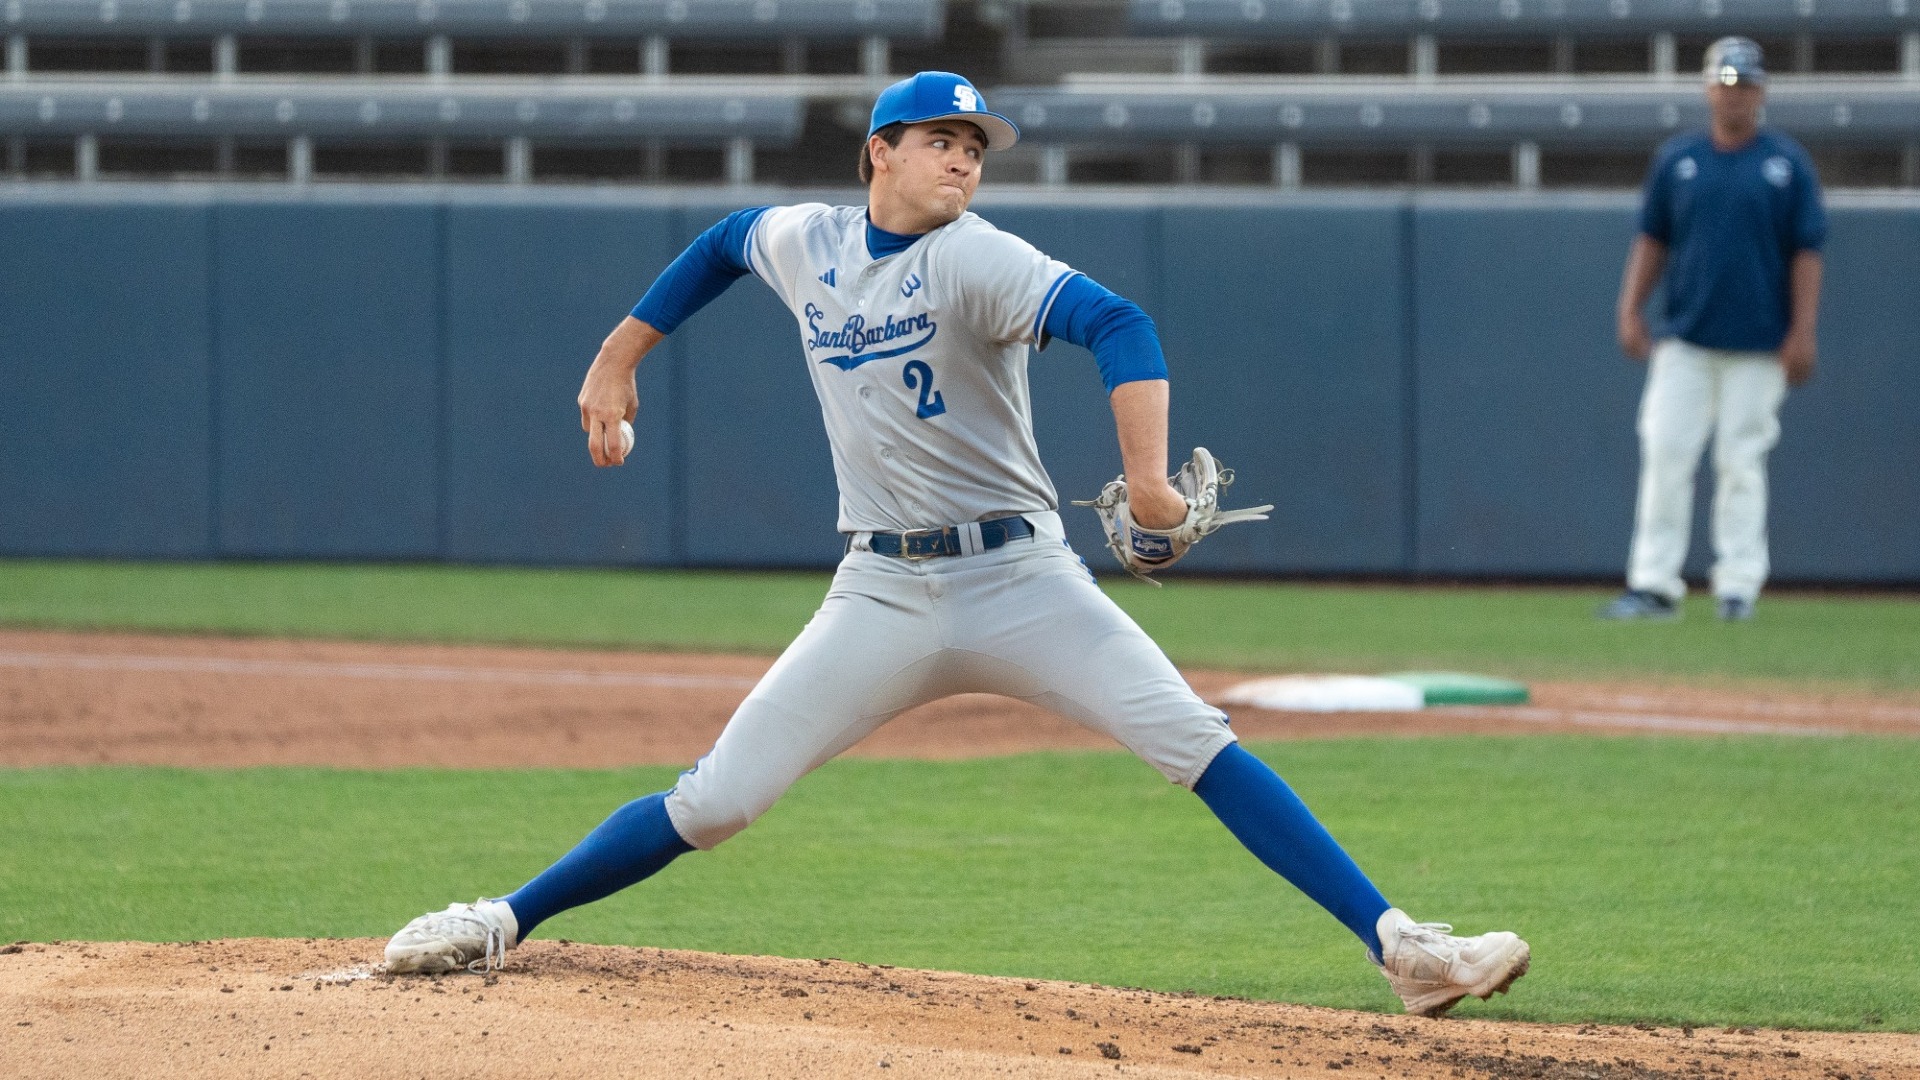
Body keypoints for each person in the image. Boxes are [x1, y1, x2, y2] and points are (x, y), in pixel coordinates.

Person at [385, 71, 1530, 1017]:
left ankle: (1403, 947)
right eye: (942, 140)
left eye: (976, 146)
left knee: (1193, 738)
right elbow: (726, 242)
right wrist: (617, 355)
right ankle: (503, 920)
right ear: (879, 151)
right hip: (878, 590)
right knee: (720, 800)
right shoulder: (808, 242)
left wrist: (1144, 482)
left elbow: (1117, 322)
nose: (965, 160)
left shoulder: (976, 256)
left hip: (1019, 578)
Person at [1601, 37, 1826, 623]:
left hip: (1758, 342)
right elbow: (1652, 238)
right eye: (1726, 84)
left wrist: (1803, 330)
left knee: (1741, 462)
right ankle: (1653, 583)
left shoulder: (1784, 164)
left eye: (1746, 85)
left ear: (1762, 92)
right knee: (1665, 452)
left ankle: (1738, 587)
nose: (1736, 96)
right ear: (1708, 90)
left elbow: (1807, 251)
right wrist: (1630, 309)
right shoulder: (1679, 160)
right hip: (1687, 337)